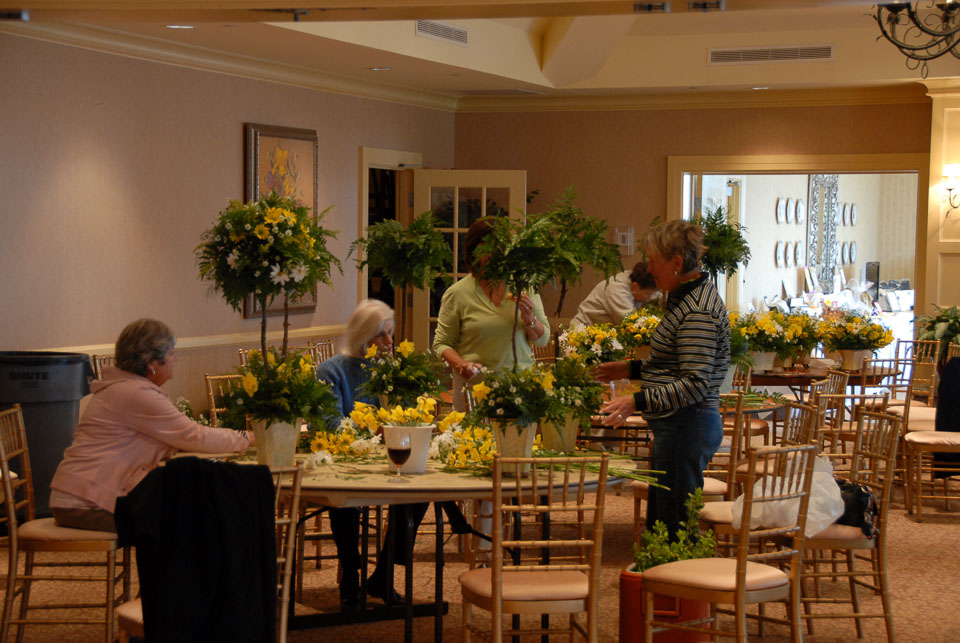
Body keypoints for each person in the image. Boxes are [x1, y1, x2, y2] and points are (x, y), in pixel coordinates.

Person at [316, 299, 477, 609]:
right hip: (344, 461)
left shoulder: (391, 371)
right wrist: (378, 430)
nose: (389, 341)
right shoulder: (331, 371)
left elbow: (408, 417)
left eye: (390, 333)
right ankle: (350, 577)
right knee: (344, 500)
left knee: (420, 491)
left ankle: (384, 573)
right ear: (363, 336)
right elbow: (331, 424)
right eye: (381, 335)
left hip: (390, 458)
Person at [49, 319, 251, 533]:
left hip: (81, 497)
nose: (176, 359)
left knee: (189, 512)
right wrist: (250, 438)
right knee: (191, 523)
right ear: (152, 363)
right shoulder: (135, 394)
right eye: (171, 353)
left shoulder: (124, 388)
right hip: (83, 505)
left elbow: (183, 437)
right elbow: (194, 436)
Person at [596, 220, 729, 539]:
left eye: (654, 260)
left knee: (674, 529)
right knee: (662, 523)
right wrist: (629, 370)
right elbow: (674, 365)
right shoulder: (684, 297)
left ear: (677, 262)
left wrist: (635, 401)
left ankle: (679, 573)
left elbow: (694, 384)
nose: (648, 268)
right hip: (680, 424)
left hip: (688, 424)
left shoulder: (696, 310)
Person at [433, 217, 551, 411]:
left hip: (519, 391)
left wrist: (530, 319)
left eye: (499, 248)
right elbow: (442, 344)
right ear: (473, 252)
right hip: (473, 393)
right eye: (487, 249)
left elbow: (543, 340)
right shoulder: (457, 294)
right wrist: (462, 365)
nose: (494, 255)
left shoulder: (524, 286)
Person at [570, 261, 659, 328]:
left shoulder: (635, 279)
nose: (650, 297)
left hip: (601, 333)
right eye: (647, 294)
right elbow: (630, 322)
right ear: (635, 286)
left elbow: (657, 296)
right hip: (583, 331)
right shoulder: (617, 290)